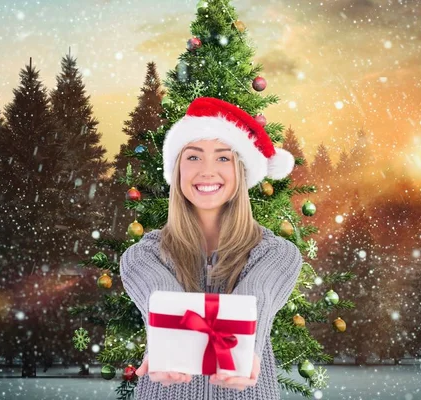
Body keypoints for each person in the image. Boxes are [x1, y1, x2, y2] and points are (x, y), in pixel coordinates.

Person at [119, 97, 303, 399]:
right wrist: (169, 344)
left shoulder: (277, 254)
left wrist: (241, 352)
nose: (207, 171)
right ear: (176, 169)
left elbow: (257, 296)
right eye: (193, 157)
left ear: (241, 170)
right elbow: (161, 295)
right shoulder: (143, 257)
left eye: (222, 158)